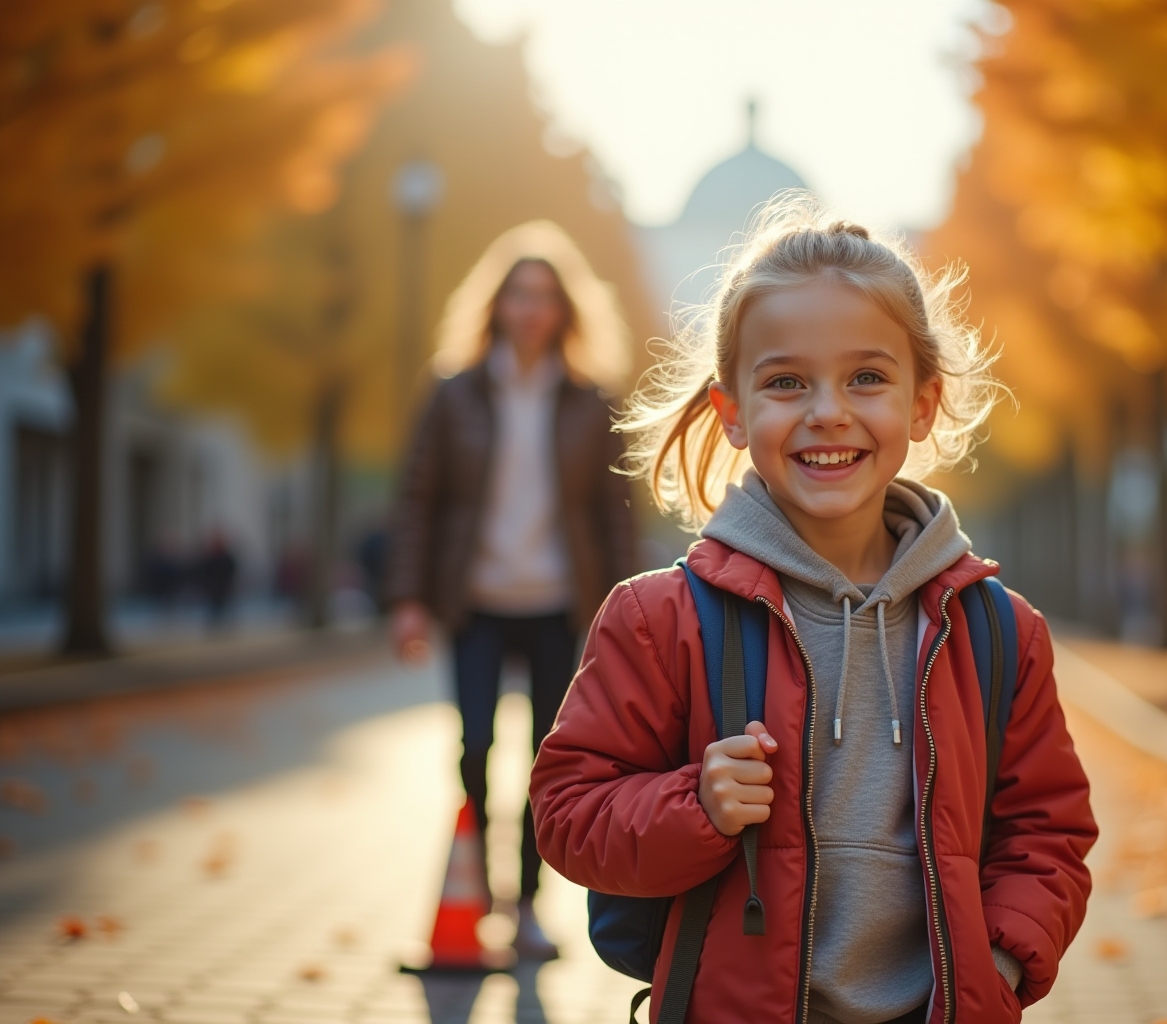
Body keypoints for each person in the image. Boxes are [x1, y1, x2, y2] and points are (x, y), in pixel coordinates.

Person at [531, 198, 1095, 1023]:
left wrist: (999, 963)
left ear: (923, 403)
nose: (827, 410)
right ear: (732, 412)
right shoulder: (658, 618)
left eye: (866, 377)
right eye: (786, 382)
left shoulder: (999, 633)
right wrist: (697, 804)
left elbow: (1049, 833)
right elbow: (568, 813)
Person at [386, 221, 637, 961]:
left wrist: (626, 614)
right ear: (496, 304)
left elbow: (616, 515)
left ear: (565, 310)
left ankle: (526, 907)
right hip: (476, 603)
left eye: (545, 296)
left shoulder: (590, 401)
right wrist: (408, 600)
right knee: (474, 750)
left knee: (544, 762)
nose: (531, 309)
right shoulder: (454, 394)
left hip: (560, 605)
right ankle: (474, 890)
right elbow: (418, 498)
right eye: (519, 294)